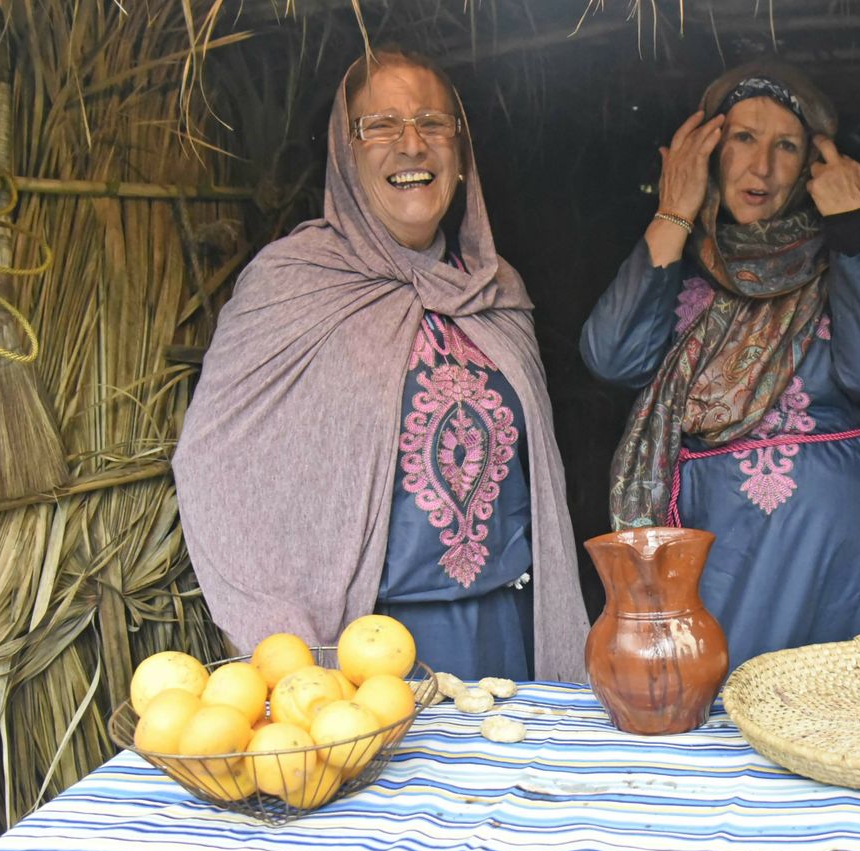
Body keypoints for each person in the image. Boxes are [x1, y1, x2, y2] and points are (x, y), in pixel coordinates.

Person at [174, 48, 589, 683]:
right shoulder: (292, 285)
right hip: (364, 652)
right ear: (345, 150)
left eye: (433, 122)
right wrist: (282, 635)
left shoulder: (495, 289)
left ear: (462, 150)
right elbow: (214, 461)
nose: (411, 145)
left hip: (509, 633)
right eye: (381, 125)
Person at [580, 61, 860, 672]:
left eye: (786, 146)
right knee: (718, 717)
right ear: (709, 151)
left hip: (838, 555)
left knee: (832, 729)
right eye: (743, 138)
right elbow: (613, 359)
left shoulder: (844, 257)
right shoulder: (682, 261)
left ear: (813, 167)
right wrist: (674, 211)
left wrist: (857, 230)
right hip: (723, 552)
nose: (762, 168)